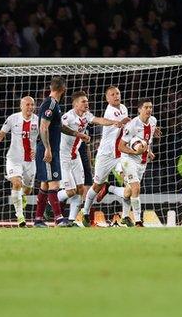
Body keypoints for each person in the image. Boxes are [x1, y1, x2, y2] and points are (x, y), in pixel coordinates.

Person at [57, 91, 118, 226]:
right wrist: (79, 134)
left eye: (87, 101)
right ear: (75, 104)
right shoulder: (68, 116)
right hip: (63, 156)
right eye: (83, 101)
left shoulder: (86, 115)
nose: (87, 103)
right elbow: (60, 127)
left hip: (75, 156)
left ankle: (72, 221)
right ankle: (52, 201)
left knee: (80, 190)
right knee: (70, 191)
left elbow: (99, 120)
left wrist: (115, 122)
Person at [33, 77, 87, 227]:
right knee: (55, 185)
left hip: (48, 149)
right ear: (64, 89)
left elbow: (60, 127)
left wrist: (77, 134)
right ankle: (58, 218)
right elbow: (43, 127)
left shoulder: (54, 104)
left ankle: (38, 219)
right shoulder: (50, 103)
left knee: (45, 185)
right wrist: (48, 149)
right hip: (48, 150)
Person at [82, 86, 131, 225]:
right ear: (107, 98)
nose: (116, 96)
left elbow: (126, 125)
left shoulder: (123, 108)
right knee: (96, 186)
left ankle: (126, 216)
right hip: (106, 155)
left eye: (118, 93)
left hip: (121, 154)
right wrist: (126, 122)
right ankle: (85, 212)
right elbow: (121, 124)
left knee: (129, 183)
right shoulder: (111, 111)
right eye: (112, 94)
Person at [0, 96, 39, 227]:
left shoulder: (38, 120)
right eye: (27, 105)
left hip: (30, 161)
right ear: (21, 106)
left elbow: (45, 136)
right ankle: (20, 216)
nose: (30, 107)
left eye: (32, 105)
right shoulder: (13, 118)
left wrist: (39, 150)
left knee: (28, 190)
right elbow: (2, 133)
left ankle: (22, 196)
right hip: (14, 159)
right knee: (17, 183)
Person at [113, 98, 158, 227]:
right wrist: (134, 152)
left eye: (150, 107)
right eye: (146, 107)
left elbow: (146, 140)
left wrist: (148, 152)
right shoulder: (132, 125)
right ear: (139, 109)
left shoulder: (153, 121)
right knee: (136, 187)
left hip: (142, 161)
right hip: (128, 159)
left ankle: (123, 215)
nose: (149, 109)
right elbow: (121, 146)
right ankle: (138, 221)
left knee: (128, 192)